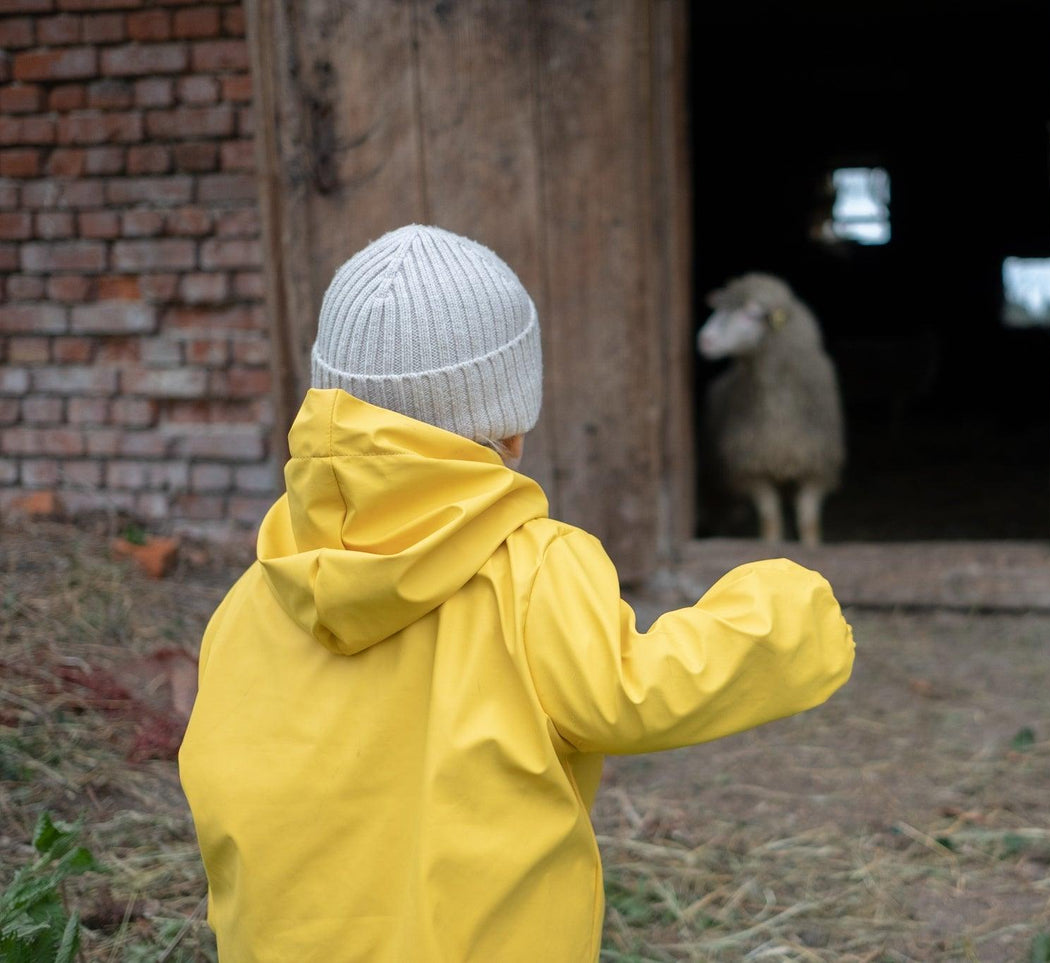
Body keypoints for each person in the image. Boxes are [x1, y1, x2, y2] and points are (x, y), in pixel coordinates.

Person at [178, 224, 855, 962]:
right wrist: (786, 605)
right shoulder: (535, 569)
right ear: (511, 428)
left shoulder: (260, 589)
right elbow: (635, 691)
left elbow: (221, 768)